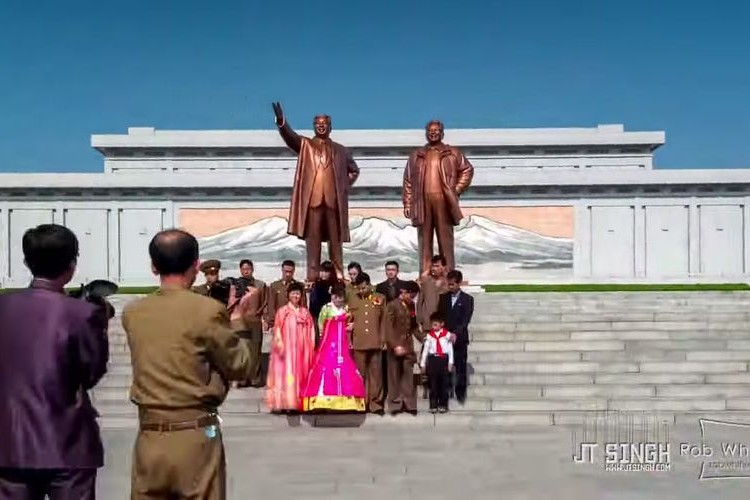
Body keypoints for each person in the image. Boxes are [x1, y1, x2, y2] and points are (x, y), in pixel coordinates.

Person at [122, 229, 256, 499]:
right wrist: (241, 320)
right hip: (195, 435)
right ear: (196, 265)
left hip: (149, 437)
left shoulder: (133, 313)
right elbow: (241, 365)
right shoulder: (206, 311)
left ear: (153, 266)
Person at [0, 224, 110, 499]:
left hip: (9, 442)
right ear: (73, 264)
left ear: (26, 262)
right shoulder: (82, 314)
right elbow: (92, 373)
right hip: (68, 441)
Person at [272, 102, 360, 281]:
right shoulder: (306, 145)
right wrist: (282, 122)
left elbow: (354, 170)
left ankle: (338, 274)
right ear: (314, 126)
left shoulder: (341, 150)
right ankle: (312, 276)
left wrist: (342, 188)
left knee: (335, 242)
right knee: (313, 243)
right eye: (318, 123)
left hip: (333, 202)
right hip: (313, 201)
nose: (321, 126)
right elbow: (290, 137)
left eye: (324, 123)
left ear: (330, 126)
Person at [402, 120, 474, 274]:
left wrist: (456, 189)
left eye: (436, 130)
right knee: (424, 239)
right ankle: (425, 272)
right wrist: (408, 204)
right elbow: (408, 181)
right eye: (430, 130)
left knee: (445, 239)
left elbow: (467, 170)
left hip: (444, 200)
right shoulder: (417, 155)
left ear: (442, 133)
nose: (433, 133)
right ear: (426, 133)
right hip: (422, 202)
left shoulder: (452, 153)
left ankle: (448, 272)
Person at [301, 283, 366, 412]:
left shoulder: (347, 309)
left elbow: (350, 324)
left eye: (341, 297)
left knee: (346, 369)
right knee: (326, 369)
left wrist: (350, 327)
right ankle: (323, 402)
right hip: (329, 344)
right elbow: (320, 326)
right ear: (332, 296)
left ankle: (348, 403)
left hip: (343, 344)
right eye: (336, 297)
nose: (338, 300)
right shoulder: (326, 309)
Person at [265, 281, 316, 413]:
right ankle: (286, 403)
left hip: (302, 351)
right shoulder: (283, 312)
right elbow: (277, 331)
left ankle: (298, 403)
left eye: (298, 293)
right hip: (287, 352)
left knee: (300, 377)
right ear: (288, 295)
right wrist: (280, 347)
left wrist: (311, 346)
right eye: (293, 293)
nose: (295, 296)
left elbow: (311, 331)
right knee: (288, 377)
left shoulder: (305, 312)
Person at [348, 272, 388, 414]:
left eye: (363, 288)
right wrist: (349, 340)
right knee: (360, 374)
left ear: (370, 285)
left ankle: (376, 404)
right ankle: (361, 403)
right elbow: (349, 321)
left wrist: (384, 339)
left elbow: (384, 320)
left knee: (376, 375)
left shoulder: (380, 298)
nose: (361, 291)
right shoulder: (353, 299)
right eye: (359, 289)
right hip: (359, 342)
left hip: (376, 341)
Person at [228, 259, 268, 387]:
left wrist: (264, 317)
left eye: (248, 269)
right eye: (244, 269)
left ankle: (255, 378)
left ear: (252, 269)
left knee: (256, 349)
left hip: (255, 321)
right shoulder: (235, 285)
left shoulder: (260, 285)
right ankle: (242, 379)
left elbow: (265, 302)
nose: (246, 271)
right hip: (240, 322)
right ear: (240, 270)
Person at [384, 281, 422, 415]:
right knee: (394, 375)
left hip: (408, 344)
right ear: (404, 292)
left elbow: (414, 325)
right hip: (395, 345)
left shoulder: (411, 305)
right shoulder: (392, 305)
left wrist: (423, 338)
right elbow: (388, 327)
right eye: (411, 295)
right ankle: (395, 405)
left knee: (408, 375)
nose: (412, 298)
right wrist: (395, 345)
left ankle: (409, 404)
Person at [437, 269, 474, 403]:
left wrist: (455, 333)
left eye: (453, 284)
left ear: (459, 284)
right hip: (445, 339)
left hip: (459, 339)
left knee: (460, 367)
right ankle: (445, 392)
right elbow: (439, 317)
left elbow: (465, 320)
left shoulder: (467, 299)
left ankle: (460, 394)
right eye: (449, 284)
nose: (450, 287)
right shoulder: (443, 298)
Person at [417, 255, 449, 398]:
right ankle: (426, 382)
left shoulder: (448, 283)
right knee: (425, 355)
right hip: (428, 325)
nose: (434, 268)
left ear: (443, 267)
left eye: (437, 266)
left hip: (442, 327)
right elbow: (420, 301)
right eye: (433, 266)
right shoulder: (426, 281)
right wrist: (421, 318)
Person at [420, 312, 454, 413]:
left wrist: (450, 362)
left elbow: (450, 349)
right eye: (432, 325)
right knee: (433, 384)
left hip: (443, 360)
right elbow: (425, 350)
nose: (433, 327)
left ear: (442, 324)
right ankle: (433, 405)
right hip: (433, 360)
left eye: (436, 324)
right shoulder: (429, 336)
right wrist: (423, 364)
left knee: (443, 384)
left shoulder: (447, 335)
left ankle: (443, 405)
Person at [266, 260, 306, 331]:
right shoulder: (275, 286)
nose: (288, 274)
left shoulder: (299, 286)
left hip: (295, 322)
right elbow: (271, 305)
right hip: (279, 321)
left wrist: (303, 320)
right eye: (286, 271)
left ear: (294, 271)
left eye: (290, 272)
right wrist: (272, 323)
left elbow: (303, 305)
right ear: (282, 270)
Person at [308, 261, 341, 346]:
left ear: (331, 272)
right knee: (318, 342)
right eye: (321, 271)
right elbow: (313, 303)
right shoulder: (316, 284)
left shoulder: (336, 285)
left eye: (326, 271)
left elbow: (340, 302)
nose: (323, 274)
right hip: (317, 316)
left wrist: (331, 293)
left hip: (332, 317)